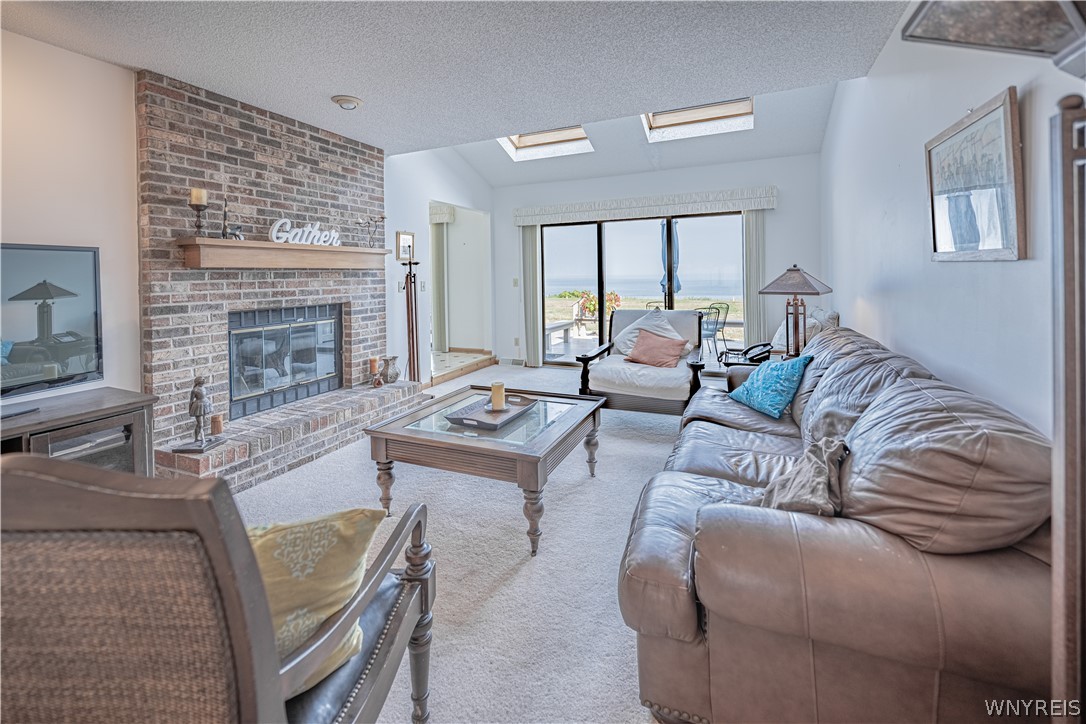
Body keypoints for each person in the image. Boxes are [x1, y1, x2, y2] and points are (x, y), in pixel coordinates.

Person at [189, 375, 213, 444]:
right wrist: (190, 409)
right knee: (200, 424)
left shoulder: (203, 388)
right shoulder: (194, 390)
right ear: (198, 382)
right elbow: (191, 400)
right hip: (198, 406)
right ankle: (202, 439)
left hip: (204, 405)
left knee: (201, 423)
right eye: (202, 380)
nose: (204, 381)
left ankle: (197, 438)